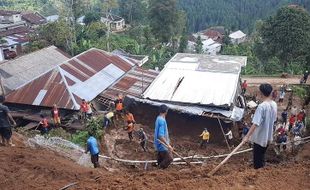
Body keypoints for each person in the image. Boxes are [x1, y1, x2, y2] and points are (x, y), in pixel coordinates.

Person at [243, 83, 277, 169]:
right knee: (262, 157)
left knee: (257, 162)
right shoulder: (274, 104)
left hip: (260, 138)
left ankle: (258, 176)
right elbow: (274, 119)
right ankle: (262, 170)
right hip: (268, 137)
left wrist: (247, 136)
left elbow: (255, 123)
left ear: (261, 93)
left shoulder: (261, 107)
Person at [154, 104, 173, 169]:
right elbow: (160, 136)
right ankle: (158, 170)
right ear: (166, 111)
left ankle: (158, 170)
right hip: (163, 146)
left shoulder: (158, 118)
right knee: (169, 159)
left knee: (161, 161)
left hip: (158, 145)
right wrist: (168, 145)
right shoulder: (162, 121)